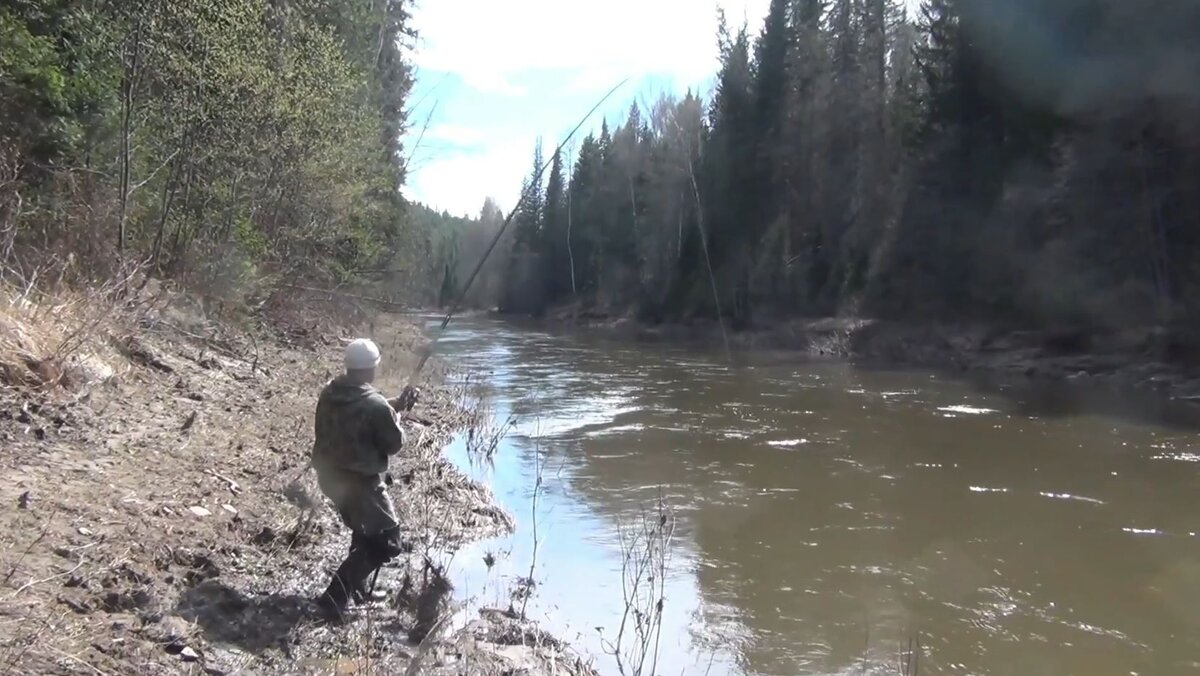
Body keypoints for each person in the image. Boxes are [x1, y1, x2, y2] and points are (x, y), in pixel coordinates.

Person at [311, 337, 419, 620]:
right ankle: (333, 599)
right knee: (387, 541)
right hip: (359, 484)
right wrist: (394, 417)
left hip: (330, 478)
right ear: (372, 369)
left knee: (364, 529)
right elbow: (393, 445)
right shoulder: (375, 406)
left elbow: (362, 412)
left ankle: (355, 588)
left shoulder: (331, 391)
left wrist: (393, 405)